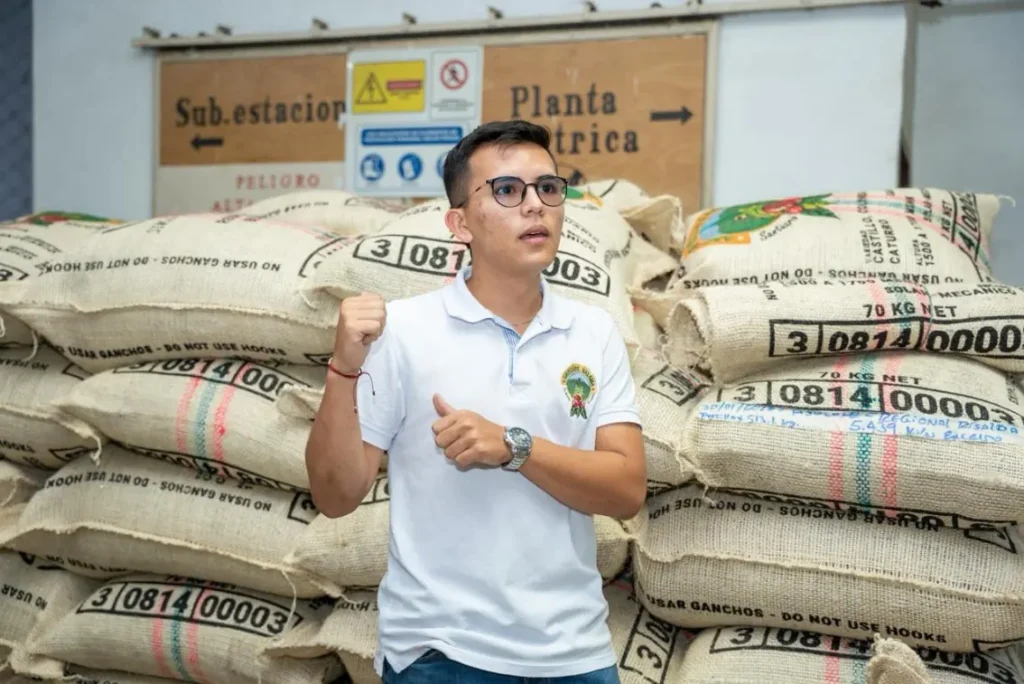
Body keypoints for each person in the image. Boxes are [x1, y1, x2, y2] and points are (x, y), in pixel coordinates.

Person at [305, 119, 646, 684]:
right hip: (442, 653)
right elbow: (335, 496)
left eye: (548, 188)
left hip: (577, 653)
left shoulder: (594, 332)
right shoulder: (403, 330)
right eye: (507, 190)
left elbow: (626, 490)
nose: (534, 205)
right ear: (459, 223)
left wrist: (514, 447)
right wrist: (343, 367)